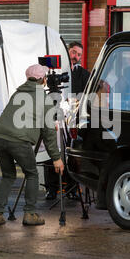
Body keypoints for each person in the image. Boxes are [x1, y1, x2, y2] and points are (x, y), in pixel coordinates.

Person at [0, 64, 64, 226]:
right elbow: (49, 132)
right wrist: (56, 158)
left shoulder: (18, 93)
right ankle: (30, 213)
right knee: (32, 174)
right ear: (42, 79)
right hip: (18, 140)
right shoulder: (43, 98)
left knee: (8, 175)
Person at [44, 41, 90, 201]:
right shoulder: (56, 72)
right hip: (55, 115)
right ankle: (51, 188)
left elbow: (86, 97)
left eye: (78, 54)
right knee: (51, 150)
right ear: (67, 52)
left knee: (71, 152)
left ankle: (72, 187)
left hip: (73, 119)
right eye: (73, 52)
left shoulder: (84, 75)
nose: (75, 56)